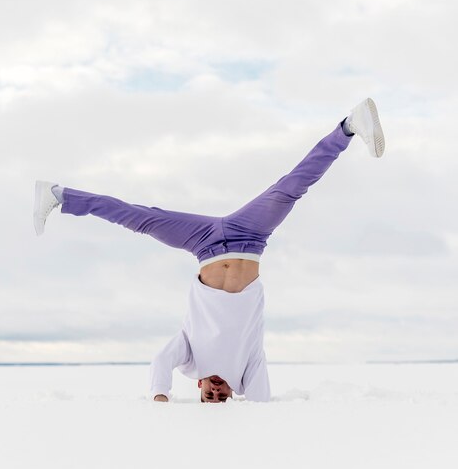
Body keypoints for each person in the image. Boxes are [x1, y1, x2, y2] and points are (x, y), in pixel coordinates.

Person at [34, 98, 385, 403]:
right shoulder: (247, 372)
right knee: (292, 186)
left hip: (204, 244)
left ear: (199, 386)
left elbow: (160, 363)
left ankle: (58, 195)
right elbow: (261, 401)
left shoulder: (190, 361)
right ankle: (350, 125)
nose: (216, 390)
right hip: (251, 237)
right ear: (233, 393)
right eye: (222, 395)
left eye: (208, 395)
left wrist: (160, 396)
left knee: (138, 217)